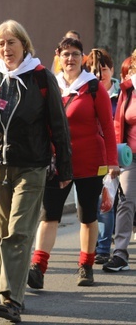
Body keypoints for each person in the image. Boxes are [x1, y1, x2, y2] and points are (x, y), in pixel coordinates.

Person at [0, 20, 72, 323]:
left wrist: (65, 169)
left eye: (11, 42)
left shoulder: (42, 78)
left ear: (24, 45)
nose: (5, 48)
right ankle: (12, 289)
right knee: (1, 235)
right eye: (0, 43)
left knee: (18, 231)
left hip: (32, 166)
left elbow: (59, 126)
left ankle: (10, 299)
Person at [28, 37, 118, 289]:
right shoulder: (50, 84)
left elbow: (109, 129)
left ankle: (86, 266)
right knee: (49, 215)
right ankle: (38, 268)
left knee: (87, 215)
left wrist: (112, 162)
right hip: (57, 163)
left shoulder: (93, 87)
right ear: (58, 55)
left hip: (90, 161)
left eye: (75, 54)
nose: (70, 59)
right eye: (66, 54)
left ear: (83, 58)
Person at [85, 48, 120, 264]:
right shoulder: (84, 91)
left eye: (103, 69)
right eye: (92, 70)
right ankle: (95, 246)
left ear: (111, 69)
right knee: (92, 203)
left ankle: (104, 248)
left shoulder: (122, 93)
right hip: (90, 155)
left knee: (107, 201)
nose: (98, 74)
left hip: (115, 155)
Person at [103, 48, 136, 273]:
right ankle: (120, 253)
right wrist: (113, 157)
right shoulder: (128, 89)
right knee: (125, 201)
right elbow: (117, 123)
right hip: (130, 156)